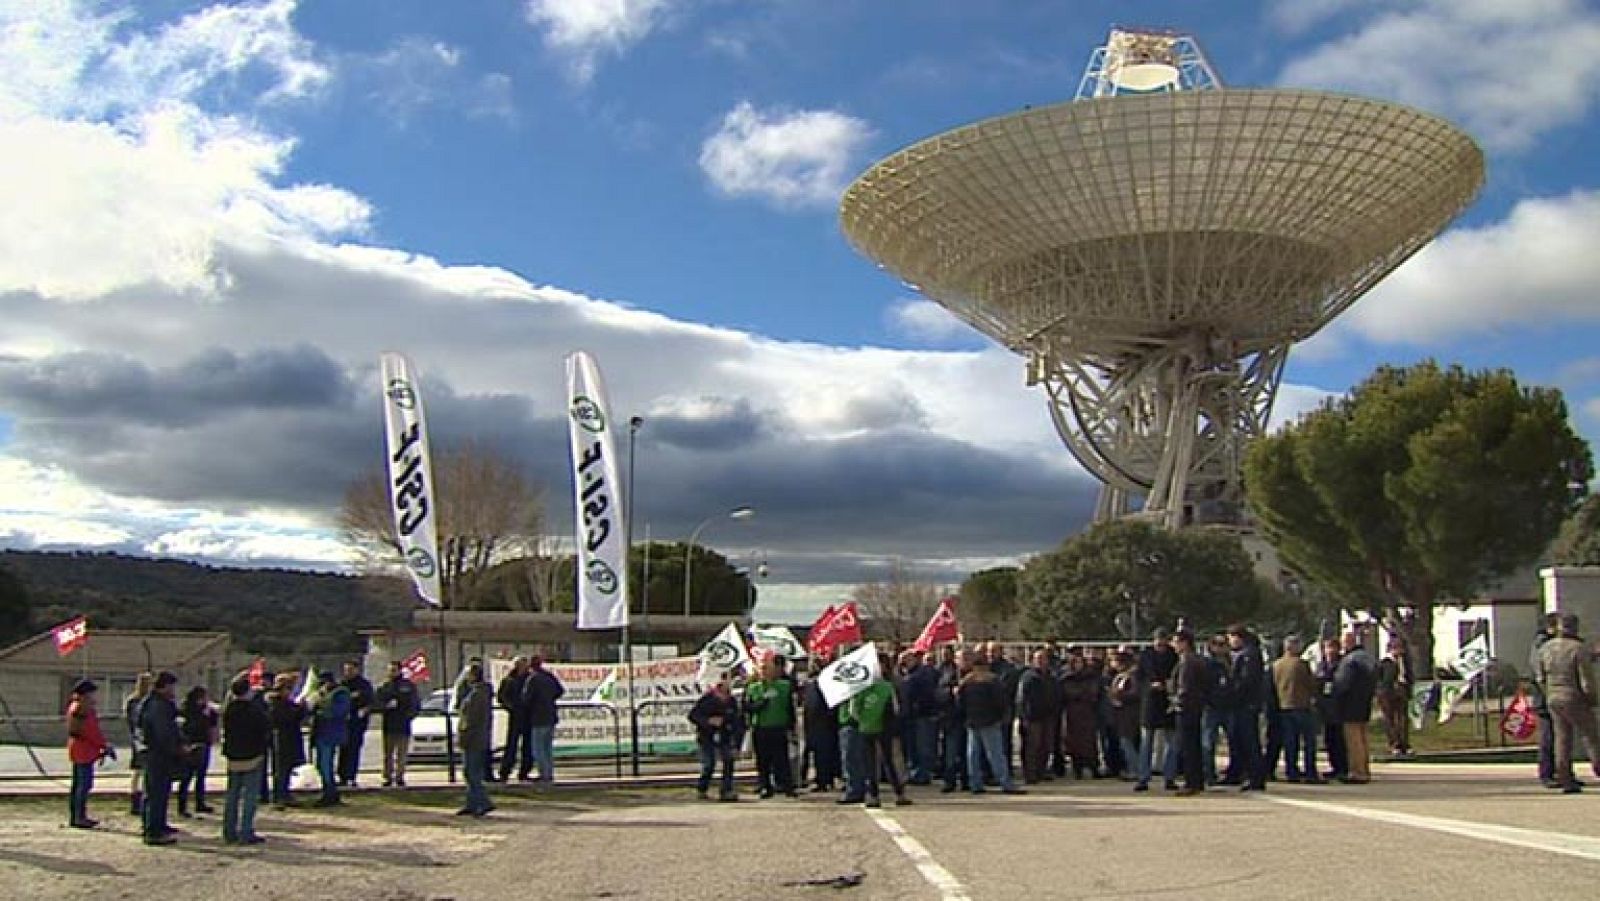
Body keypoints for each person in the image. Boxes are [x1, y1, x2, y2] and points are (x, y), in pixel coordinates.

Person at [1536, 613, 1600, 793]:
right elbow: (1585, 679)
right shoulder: (1578, 649)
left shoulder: (1545, 649)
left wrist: (1548, 693)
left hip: (1553, 697)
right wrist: (1592, 697)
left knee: (1562, 739)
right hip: (1574, 696)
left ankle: (1564, 777)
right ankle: (1598, 767)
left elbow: (1540, 677)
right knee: (1591, 736)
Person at [839, 657, 910, 807]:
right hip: (881, 728)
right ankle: (897, 794)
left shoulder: (863, 687)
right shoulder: (886, 687)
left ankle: (875, 796)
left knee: (872, 763)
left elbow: (853, 710)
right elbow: (895, 708)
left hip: (869, 728)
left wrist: (863, 720)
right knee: (886, 761)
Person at [959, 650, 1024, 796]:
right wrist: (1001, 716)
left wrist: (966, 716)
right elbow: (1001, 701)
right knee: (995, 754)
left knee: (973, 754)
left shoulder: (966, 681)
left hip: (972, 721)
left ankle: (975, 783)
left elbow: (960, 702)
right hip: (990, 721)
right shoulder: (993, 681)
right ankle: (1005, 783)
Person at [220, 676, 270, 845]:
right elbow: (264, 728)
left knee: (232, 795)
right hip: (252, 755)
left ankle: (229, 831)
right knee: (249, 797)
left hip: (233, 755)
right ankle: (246, 831)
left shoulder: (228, 710)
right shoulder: (254, 710)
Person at [745, 654, 798, 798]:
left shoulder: (784, 686)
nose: (765, 671)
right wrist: (761, 704)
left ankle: (787, 786)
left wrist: (792, 727)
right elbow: (747, 707)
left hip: (778, 727)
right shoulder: (753, 688)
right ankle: (765, 786)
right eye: (762, 669)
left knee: (782, 759)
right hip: (761, 728)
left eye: (768, 668)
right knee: (763, 761)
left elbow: (790, 707)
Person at [139, 671, 183, 846]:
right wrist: (176, 748)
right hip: (157, 753)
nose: (174, 690)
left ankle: (158, 824)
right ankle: (153, 830)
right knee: (156, 792)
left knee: (160, 792)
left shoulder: (156, 703)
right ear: (164, 686)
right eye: (171, 686)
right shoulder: (157, 706)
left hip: (156, 752)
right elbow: (162, 732)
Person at [1223, 624, 1267, 792]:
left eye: (1231, 638)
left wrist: (1231, 692)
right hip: (1244, 704)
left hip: (1245, 705)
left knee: (1249, 742)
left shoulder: (1249, 655)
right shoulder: (1246, 654)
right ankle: (1246, 774)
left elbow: (1246, 681)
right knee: (1241, 741)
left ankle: (1255, 776)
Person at [1273, 636, 1322, 783]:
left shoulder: (1276, 665)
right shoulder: (1301, 664)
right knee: (1308, 742)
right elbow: (1310, 684)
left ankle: (1291, 771)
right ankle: (1310, 772)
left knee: (1290, 742)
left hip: (1284, 706)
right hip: (1302, 705)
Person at [65, 679, 113, 828]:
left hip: (79, 748)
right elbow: (90, 730)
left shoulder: (75, 706)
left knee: (79, 784)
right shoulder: (83, 709)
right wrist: (103, 746)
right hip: (83, 750)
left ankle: (77, 815)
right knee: (83, 784)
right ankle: (79, 816)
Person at [689, 674, 744, 801]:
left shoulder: (731, 701)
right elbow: (693, 715)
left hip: (724, 736)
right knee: (709, 763)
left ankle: (726, 790)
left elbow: (737, 722)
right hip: (707, 736)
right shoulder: (707, 699)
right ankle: (702, 788)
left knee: (728, 760)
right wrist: (708, 721)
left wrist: (736, 743)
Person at [1136, 628, 1178, 792]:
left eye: (1163, 639)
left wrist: (1169, 685)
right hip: (1150, 702)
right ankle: (1143, 777)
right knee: (1147, 743)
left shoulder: (1173, 656)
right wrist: (1150, 685)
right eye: (1157, 640)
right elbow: (1139, 678)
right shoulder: (1146, 656)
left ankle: (1169, 777)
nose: (1160, 643)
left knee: (1171, 743)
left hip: (1168, 701)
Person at [1333, 630, 1377, 784]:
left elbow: (1343, 684)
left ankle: (1357, 772)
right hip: (1364, 703)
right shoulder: (1368, 658)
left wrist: (1335, 696)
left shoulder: (1350, 661)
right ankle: (1365, 769)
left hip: (1350, 705)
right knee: (1363, 738)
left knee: (1353, 740)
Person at [1172, 630, 1210, 796]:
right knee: (1194, 744)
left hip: (1187, 708)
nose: (1174, 645)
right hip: (1196, 707)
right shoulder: (1197, 660)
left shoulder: (1187, 661)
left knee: (1188, 746)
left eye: (1176, 641)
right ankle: (1197, 780)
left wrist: (1177, 701)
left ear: (1184, 642)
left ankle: (1191, 781)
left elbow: (1184, 687)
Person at [1017, 648, 1061, 784]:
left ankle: (1041, 771)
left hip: (1048, 716)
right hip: (1032, 718)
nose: (1041, 661)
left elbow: (1057, 695)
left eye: (1043, 658)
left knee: (1046, 746)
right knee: (1032, 747)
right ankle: (1030, 774)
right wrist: (1024, 716)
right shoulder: (1027, 677)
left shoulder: (1052, 677)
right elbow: (1021, 699)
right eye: (1038, 659)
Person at [455, 663, 494, 816]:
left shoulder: (478, 695)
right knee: (469, 771)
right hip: (475, 737)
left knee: (473, 772)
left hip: (474, 738)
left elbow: (471, 719)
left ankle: (483, 802)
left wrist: (465, 735)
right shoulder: (475, 692)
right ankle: (472, 803)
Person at [375, 660, 421, 788]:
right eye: (390, 670)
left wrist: (408, 716)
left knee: (401, 754)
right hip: (389, 725)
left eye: (394, 670)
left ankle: (400, 777)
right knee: (388, 754)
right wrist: (385, 706)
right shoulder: (384, 687)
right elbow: (376, 704)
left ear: (400, 670)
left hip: (403, 725)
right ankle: (387, 777)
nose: (391, 673)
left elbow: (415, 704)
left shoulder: (408, 686)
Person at [899, 650, 940, 785]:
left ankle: (923, 774)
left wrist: (917, 707)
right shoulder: (907, 675)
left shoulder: (921, 675)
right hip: (910, 717)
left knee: (923, 747)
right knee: (912, 748)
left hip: (922, 715)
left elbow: (926, 695)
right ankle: (915, 772)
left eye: (905, 661)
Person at [176, 685, 218, 817]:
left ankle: (200, 803)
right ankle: (182, 806)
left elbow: (212, 724)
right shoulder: (187, 710)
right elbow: (191, 727)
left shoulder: (207, 710)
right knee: (187, 776)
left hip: (204, 743)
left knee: (201, 776)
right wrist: (204, 716)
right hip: (192, 744)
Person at [1529, 612, 1561, 787]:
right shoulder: (1541, 644)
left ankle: (1561, 771)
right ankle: (1546, 773)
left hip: (1551, 695)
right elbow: (1538, 672)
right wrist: (1547, 693)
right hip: (1544, 698)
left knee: (1560, 736)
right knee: (1548, 737)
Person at [1058, 649, 1101, 779]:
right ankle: (1077, 768)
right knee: (1074, 742)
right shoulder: (1066, 677)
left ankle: (1094, 767)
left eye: (1080, 662)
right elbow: (1067, 693)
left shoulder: (1091, 676)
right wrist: (1080, 694)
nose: (1078, 665)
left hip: (1088, 712)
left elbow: (1094, 692)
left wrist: (1086, 695)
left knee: (1090, 742)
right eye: (1075, 662)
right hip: (1072, 713)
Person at [266, 673, 307, 807]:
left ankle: (285, 793)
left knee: (287, 768)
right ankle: (280, 795)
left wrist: (302, 708)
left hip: (290, 737)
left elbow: (297, 717)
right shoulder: (275, 702)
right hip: (281, 738)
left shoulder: (287, 702)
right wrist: (297, 710)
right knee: (281, 769)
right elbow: (283, 719)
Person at [523, 656, 565, 784]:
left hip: (537, 716)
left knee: (538, 748)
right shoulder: (549, 676)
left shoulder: (533, 679)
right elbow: (560, 690)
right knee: (547, 748)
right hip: (551, 715)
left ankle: (544, 774)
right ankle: (549, 773)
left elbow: (526, 697)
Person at [800, 658, 841, 792]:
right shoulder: (809, 685)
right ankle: (821, 779)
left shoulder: (828, 684)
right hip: (812, 725)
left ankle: (826, 780)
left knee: (825, 754)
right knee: (817, 754)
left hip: (825, 725)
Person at [310, 671, 351, 806]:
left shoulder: (341, 693)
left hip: (332, 733)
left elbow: (338, 712)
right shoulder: (321, 694)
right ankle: (328, 790)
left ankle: (330, 793)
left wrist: (320, 708)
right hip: (321, 732)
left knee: (326, 764)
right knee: (321, 765)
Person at [1200, 634, 1234, 786]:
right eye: (1217, 644)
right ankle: (1208, 773)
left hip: (1228, 706)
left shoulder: (1230, 661)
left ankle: (1233, 772)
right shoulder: (1207, 663)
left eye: (1224, 644)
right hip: (1211, 707)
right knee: (1209, 742)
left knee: (1233, 740)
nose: (1221, 647)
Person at [937, 647, 971, 793]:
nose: (964, 661)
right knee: (951, 753)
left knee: (968, 754)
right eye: (961, 658)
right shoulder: (948, 674)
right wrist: (950, 692)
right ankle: (949, 781)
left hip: (971, 719)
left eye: (967, 658)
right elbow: (937, 694)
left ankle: (967, 780)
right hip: (952, 720)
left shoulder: (976, 675)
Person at [1106, 650, 1143, 780]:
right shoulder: (1120, 676)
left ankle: (1136, 770)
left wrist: (1118, 694)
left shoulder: (1131, 676)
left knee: (1127, 743)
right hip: (1120, 714)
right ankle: (1133, 768)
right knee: (1125, 742)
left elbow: (1136, 693)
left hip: (1128, 714)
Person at [338, 661, 374, 788]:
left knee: (354, 749)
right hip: (343, 723)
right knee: (343, 750)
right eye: (346, 670)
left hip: (357, 723)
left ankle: (351, 776)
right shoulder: (341, 685)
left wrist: (364, 710)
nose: (347, 672)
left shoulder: (364, 685)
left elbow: (370, 702)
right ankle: (341, 776)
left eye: (350, 670)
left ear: (356, 670)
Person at [1316, 638, 1348, 781]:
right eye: (1327, 648)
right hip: (1325, 706)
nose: (1329, 651)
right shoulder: (1322, 665)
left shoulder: (1342, 664)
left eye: (1332, 648)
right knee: (1329, 739)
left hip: (1338, 706)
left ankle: (1342, 767)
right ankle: (1334, 766)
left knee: (1339, 739)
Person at [1376, 637, 1414, 757]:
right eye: (1396, 648)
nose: (1399, 651)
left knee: (1403, 719)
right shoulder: (1385, 662)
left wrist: (1408, 686)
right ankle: (1394, 744)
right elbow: (1381, 679)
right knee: (1390, 719)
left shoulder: (1405, 661)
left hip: (1402, 691)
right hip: (1388, 693)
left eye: (1401, 648)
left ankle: (1405, 744)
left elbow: (1409, 675)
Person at [496, 657, 532, 782]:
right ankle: (505, 771)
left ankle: (524, 772)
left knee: (528, 746)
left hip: (528, 716)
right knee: (511, 745)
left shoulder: (530, 679)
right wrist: (510, 707)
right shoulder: (509, 680)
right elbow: (501, 697)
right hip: (515, 716)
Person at [124, 671, 153, 817]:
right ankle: (136, 799)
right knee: (139, 770)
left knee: (140, 770)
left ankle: (139, 798)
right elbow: (131, 720)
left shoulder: (142, 701)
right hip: (140, 739)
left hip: (140, 738)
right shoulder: (136, 701)